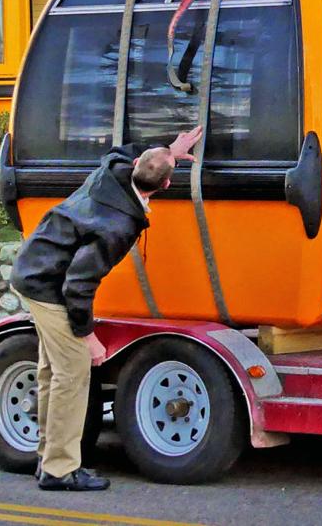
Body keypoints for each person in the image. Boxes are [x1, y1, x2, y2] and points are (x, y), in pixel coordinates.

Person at [11, 127, 203, 492]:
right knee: (73, 372)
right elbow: (78, 285)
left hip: (33, 268)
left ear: (134, 165)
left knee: (54, 371)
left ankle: (48, 459)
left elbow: (123, 150)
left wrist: (169, 152)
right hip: (48, 284)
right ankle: (59, 470)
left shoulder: (110, 171)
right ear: (164, 187)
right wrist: (88, 336)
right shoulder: (117, 226)